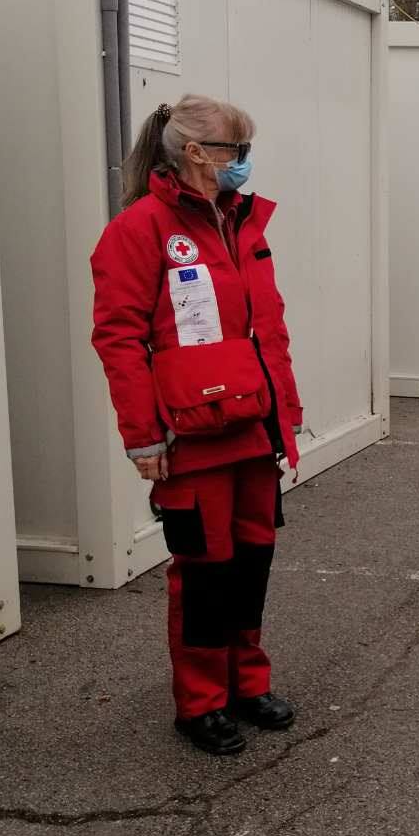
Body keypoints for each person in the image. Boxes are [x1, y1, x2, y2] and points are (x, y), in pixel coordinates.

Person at [90, 95, 303, 755]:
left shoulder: (242, 224)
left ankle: (247, 682)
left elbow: (268, 330)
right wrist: (143, 437)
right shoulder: (139, 230)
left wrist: (286, 419)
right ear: (196, 154)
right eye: (237, 152)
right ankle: (201, 701)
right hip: (192, 437)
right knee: (205, 573)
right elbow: (119, 339)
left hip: (252, 429)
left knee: (251, 564)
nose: (245, 164)